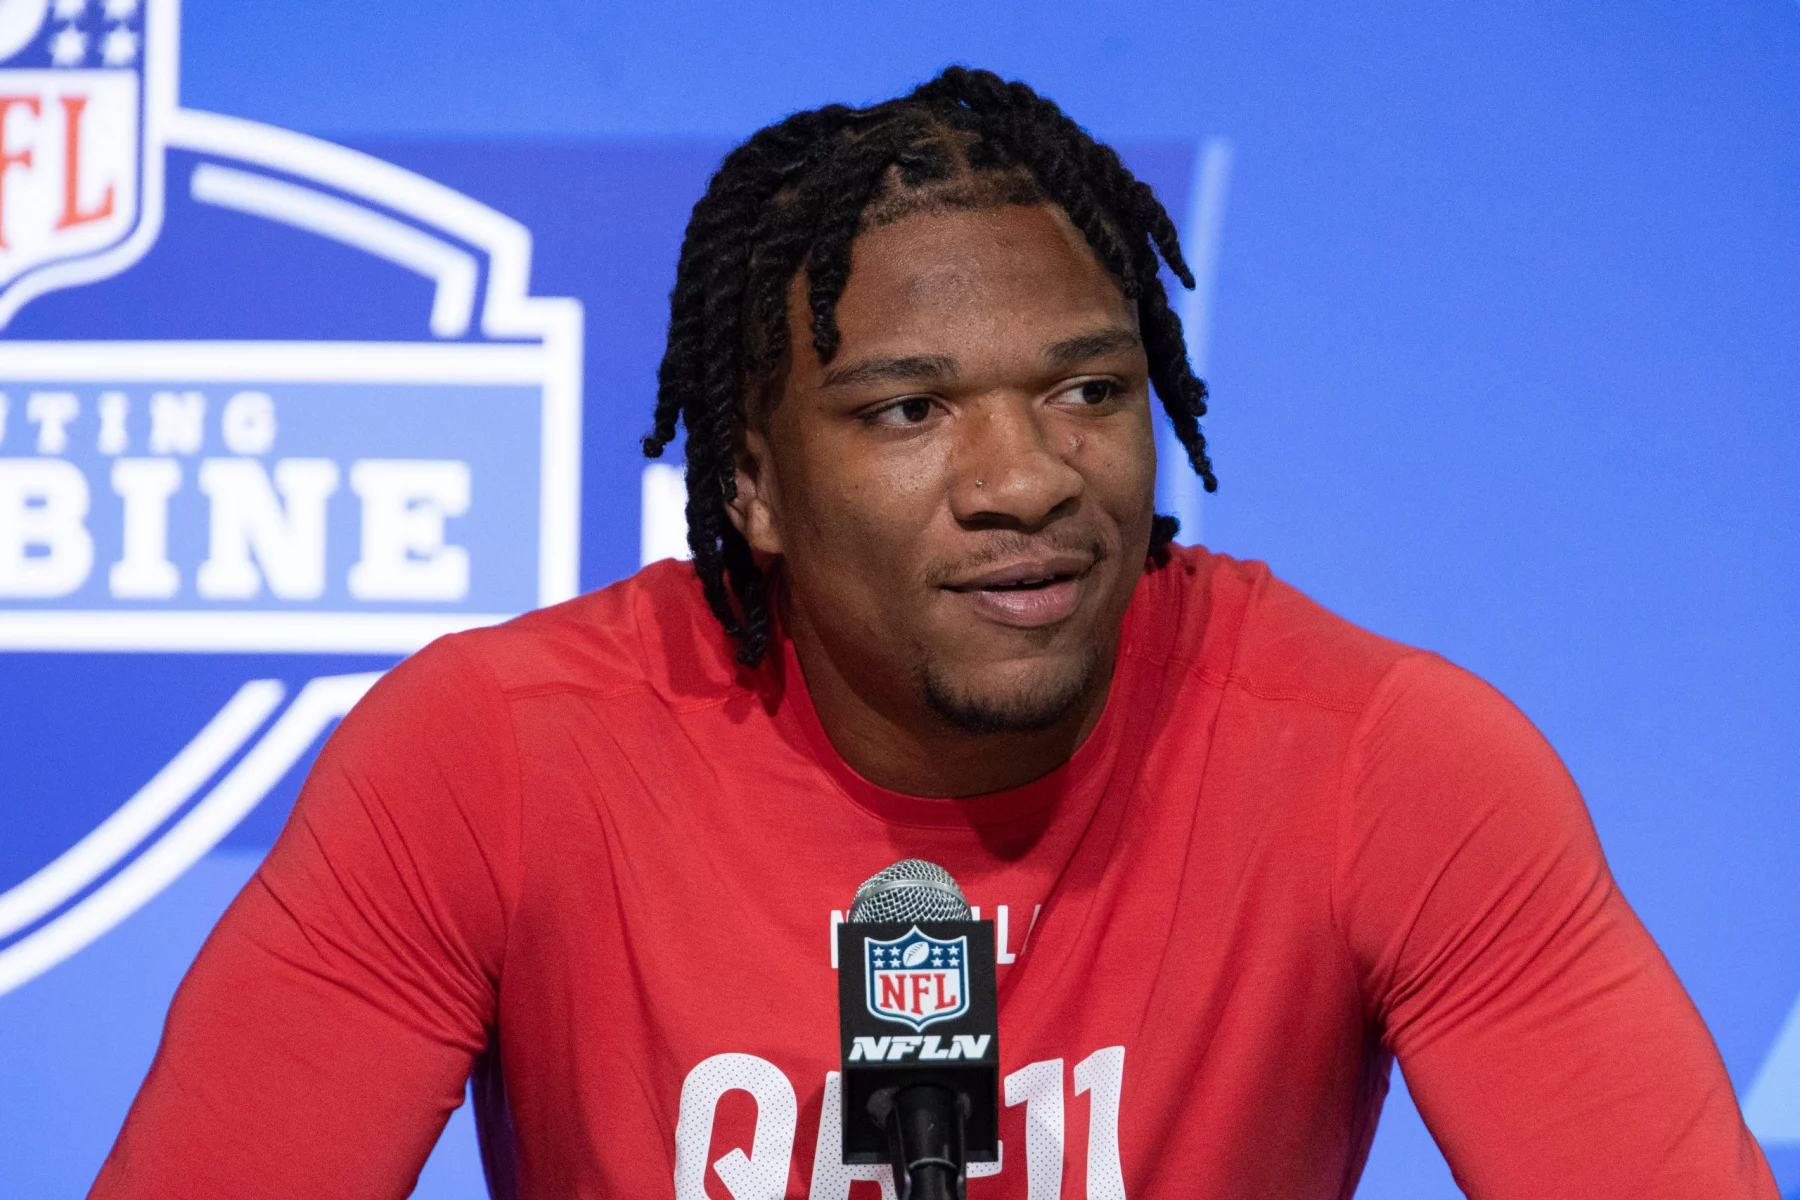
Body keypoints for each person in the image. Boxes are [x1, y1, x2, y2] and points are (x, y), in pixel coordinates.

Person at [92, 68, 1776, 1199]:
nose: (1026, 478)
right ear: (752, 484)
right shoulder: (487, 759)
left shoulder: (1385, 765)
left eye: (1088, 392)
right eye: (910, 413)